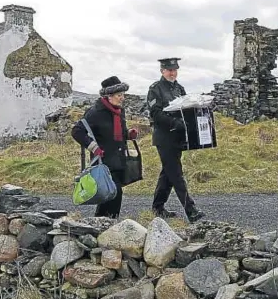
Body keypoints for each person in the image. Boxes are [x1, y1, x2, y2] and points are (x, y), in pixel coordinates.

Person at [147, 57, 205, 223]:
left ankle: (157, 208)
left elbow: (186, 109)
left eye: (174, 70)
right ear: (162, 71)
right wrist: (174, 122)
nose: (172, 73)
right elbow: (155, 113)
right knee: (176, 174)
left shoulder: (180, 88)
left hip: (178, 138)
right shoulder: (155, 89)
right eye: (169, 70)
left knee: (168, 173)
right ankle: (190, 209)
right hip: (164, 138)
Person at [71, 76, 138, 218]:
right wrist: (94, 147)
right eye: (119, 95)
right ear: (109, 96)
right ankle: (108, 223)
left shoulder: (119, 111)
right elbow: (77, 131)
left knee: (109, 194)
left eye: (123, 95)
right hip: (104, 161)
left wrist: (128, 134)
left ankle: (102, 224)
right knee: (114, 193)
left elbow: (117, 134)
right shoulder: (95, 112)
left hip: (119, 160)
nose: (122, 98)